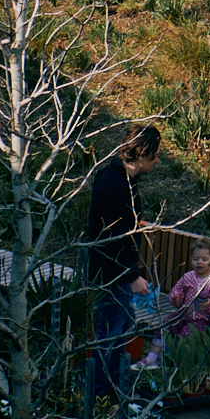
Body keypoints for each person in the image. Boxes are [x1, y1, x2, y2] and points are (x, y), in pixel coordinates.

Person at [84, 123, 161, 398]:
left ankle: (111, 388)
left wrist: (138, 223)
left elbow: (118, 221)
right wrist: (133, 275)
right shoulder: (115, 185)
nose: (156, 161)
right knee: (110, 333)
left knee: (119, 330)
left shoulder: (119, 178)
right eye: (153, 156)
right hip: (111, 272)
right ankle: (100, 394)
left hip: (114, 270)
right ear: (141, 155)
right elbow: (113, 237)